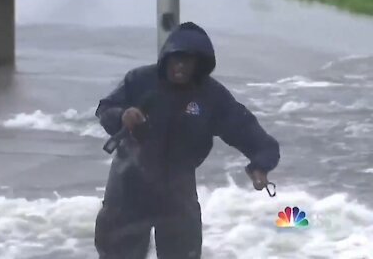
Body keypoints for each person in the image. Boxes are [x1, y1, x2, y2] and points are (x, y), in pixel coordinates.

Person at [94, 22, 280, 259]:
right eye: (176, 58)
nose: (180, 65)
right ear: (167, 58)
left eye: (188, 60)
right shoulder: (140, 80)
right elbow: (105, 109)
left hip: (177, 194)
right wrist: (122, 116)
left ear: (199, 64)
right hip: (128, 189)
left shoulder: (212, 96)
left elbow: (246, 130)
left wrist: (261, 164)